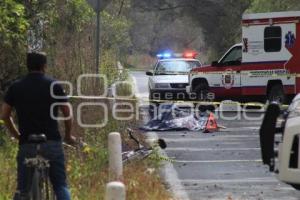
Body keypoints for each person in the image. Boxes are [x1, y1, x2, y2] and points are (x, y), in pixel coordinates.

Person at [1, 52, 76, 200]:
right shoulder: (54, 85)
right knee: (60, 185)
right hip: (52, 143)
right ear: (44, 66)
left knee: (22, 190)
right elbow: (67, 113)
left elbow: (4, 115)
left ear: (27, 65)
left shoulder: (15, 87)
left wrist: (17, 135)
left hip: (27, 143)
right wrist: (68, 135)